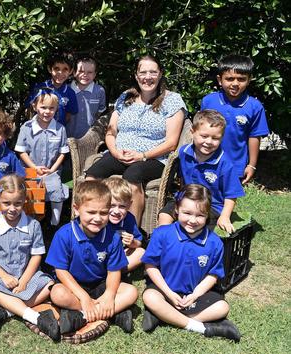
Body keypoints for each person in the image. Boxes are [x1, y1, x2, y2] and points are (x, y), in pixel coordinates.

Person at [85, 55, 186, 225]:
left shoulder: (172, 100)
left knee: (132, 175)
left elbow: (171, 143)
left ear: (160, 74)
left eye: (153, 72)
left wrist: (142, 155)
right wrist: (116, 152)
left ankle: (132, 231)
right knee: (92, 175)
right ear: (136, 75)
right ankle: (91, 224)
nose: (148, 77)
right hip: (120, 154)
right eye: (143, 72)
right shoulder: (126, 97)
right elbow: (110, 133)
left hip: (153, 158)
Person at [142, 184, 241, 341]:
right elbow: (150, 266)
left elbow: (213, 275)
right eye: (187, 213)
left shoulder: (214, 242)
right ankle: (200, 327)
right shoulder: (162, 233)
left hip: (194, 295)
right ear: (176, 210)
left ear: (208, 215)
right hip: (165, 290)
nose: (193, 220)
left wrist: (195, 295)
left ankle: (163, 316)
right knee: (149, 297)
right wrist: (168, 293)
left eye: (200, 215)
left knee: (222, 307)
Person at [47, 181, 138, 335]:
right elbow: (61, 271)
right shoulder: (64, 234)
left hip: (100, 284)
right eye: (91, 212)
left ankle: (81, 317)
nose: (97, 218)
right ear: (76, 209)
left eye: (103, 213)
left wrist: (109, 295)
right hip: (73, 287)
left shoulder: (113, 238)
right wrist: (83, 297)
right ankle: (112, 314)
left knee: (131, 292)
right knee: (57, 294)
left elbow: (114, 271)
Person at [0, 175, 59, 341]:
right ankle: (34, 317)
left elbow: (36, 255)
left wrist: (24, 281)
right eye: (6, 203)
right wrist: (4, 276)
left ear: (24, 201)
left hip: (27, 275)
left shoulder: (33, 225)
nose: (12, 208)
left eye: (17, 203)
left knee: (49, 284)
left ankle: (6, 310)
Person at [158, 110, 245, 233]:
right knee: (164, 216)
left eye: (215, 138)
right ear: (192, 133)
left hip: (211, 206)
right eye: (204, 136)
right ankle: (164, 243)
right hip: (185, 199)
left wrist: (225, 216)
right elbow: (182, 178)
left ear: (222, 138)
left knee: (194, 227)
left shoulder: (224, 163)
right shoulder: (184, 152)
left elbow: (231, 194)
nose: (209, 142)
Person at [200, 54, 269, 185]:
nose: (235, 84)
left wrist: (252, 165)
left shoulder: (255, 106)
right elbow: (200, 131)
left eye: (241, 79)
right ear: (220, 80)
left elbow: (254, 136)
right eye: (230, 79)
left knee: (228, 201)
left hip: (235, 166)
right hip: (206, 161)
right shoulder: (208, 101)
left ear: (249, 80)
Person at [15, 90, 69, 225]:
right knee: (30, 194)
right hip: (30, 171)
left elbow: (62, 153)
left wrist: (52, 170)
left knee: (56, 189)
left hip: (51, 170)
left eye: (51, 108)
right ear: (35, 107)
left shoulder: (60, 129)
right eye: (43, 107)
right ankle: (31, 222)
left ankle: (54, 223)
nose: (47, 111)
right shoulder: (26, 128)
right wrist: (34, 168)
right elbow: (21, 152)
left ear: (56, 109)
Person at [25, 50, 78, 127]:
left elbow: (69, 115)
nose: (60, 73)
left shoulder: (70, 93)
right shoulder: (39, 88)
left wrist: (58, 126)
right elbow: (29, 109)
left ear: (71, 71)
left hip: (57, 133)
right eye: (56, 69)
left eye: (65, 69)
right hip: (38, 130)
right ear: (50, 69)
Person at [102, 177, 144, 272]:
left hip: (117, 256)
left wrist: (132, 242)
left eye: (122, 206)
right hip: (99, 255)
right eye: (111, 206)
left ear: (129, 205)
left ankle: (113, 272)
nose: (116, 211)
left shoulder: (129, 219)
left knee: (141, 253)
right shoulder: (99, 219)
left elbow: (139, 242)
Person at [69, 57, 107, 139]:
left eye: (89, 72)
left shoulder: (100, 91)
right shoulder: (67, 90)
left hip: (90, 138)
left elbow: (99, 113)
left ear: (95, 74)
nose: (85, 75)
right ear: (74, 72)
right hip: (68, 137)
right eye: (81, 71)